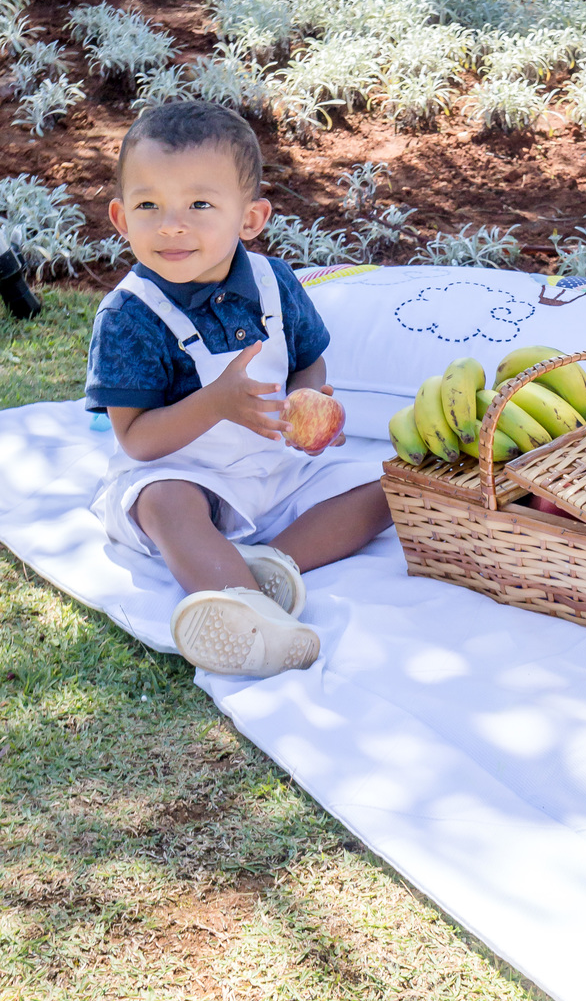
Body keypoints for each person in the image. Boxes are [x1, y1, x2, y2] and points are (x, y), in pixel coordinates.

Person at [86, 100, 391, 678]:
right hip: (184, 472)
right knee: (165, 504)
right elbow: (136, 441)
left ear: (249, 220)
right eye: (149, 205)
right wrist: (216, 402)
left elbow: (310, 363)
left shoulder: (275, 282)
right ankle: (248, 617)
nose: (172, 224)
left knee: (383, 489)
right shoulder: (129, 314)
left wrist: (313, 402)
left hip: (274, 466)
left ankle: (270, 566)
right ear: (122, 219)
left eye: (200, 204)